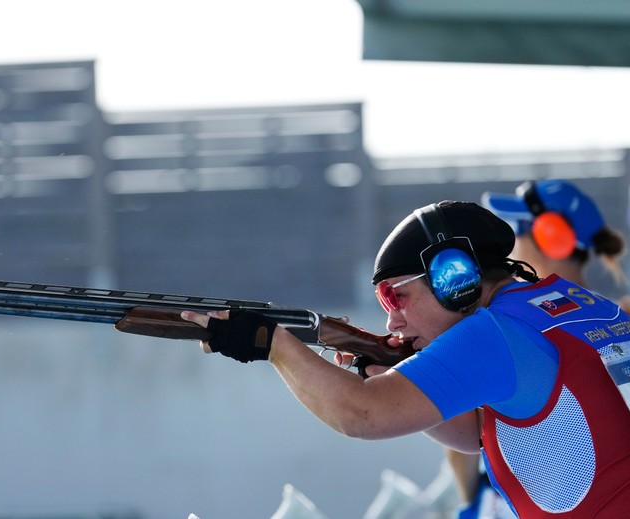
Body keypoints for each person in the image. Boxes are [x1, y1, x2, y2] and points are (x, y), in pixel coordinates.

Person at [181, 199, 630, 518]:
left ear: (454, 277)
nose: (392, 321)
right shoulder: (570, 302)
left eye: (397, 295)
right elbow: (490, 431)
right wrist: (391, 372)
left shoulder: (493, 334)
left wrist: (271, 343)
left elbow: (361, 413)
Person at [440, 179, 630, 518]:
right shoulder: (616, 318)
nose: (509, 242)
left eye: (517, 228)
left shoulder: (506, 329)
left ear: (551, 236)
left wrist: (470, 503)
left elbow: (464, 446)